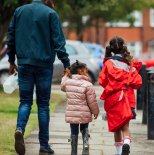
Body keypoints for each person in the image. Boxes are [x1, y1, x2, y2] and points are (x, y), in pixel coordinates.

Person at [7, 0, 70, 154]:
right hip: (44, 65)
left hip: (24, 64)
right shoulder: (50, 14)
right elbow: (58, 42)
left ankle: (20, 129)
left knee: (25, 102)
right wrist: (66, 63)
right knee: (43, 105)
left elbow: (11, 37)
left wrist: (11, 60)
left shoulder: (19, 11)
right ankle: (43, 145)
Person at [98, 36, 142, 155]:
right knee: (125, 126)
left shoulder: (108, 63)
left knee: (116, 127)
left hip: (113, 98)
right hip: (127, 98)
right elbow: (137, 83)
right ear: (123, 48)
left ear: (111, 48)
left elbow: (102, 81)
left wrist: (112, 84)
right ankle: (126, 143)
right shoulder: (129, 64)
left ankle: (118, 152)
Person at [61, 60, 99, 155]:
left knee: (74, 132)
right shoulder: (88, 85)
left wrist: (66, 75)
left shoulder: (68, 83)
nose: (87, 72)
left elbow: (62, 86)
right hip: (84, 113)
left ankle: (73, 151)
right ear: (80, 72)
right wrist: (95, 111)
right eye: (86, 70)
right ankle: (85, 144)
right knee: (84, 128)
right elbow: (92, 101)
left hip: (72, 113)